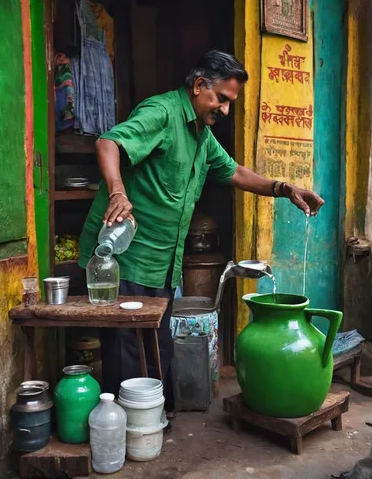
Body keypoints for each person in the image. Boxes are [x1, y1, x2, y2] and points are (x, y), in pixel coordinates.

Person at [78, 50, 324, 415]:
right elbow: (108, 142)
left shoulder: (201, 136)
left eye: (229, 102)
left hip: (161, 263)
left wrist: (284, 188)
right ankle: (126, 430)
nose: (224, 110)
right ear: (198, 86)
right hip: (122, 258)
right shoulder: (161, 113)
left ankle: (149, 424)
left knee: (156, 350)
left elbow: (235, 172)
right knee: (128, 355)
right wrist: (117, 190)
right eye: (221, 99)